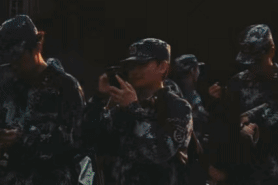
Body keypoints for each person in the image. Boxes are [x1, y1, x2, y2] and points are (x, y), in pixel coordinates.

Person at [208, 23, 278, 185]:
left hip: (274, 170)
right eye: (250, 62)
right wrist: (216, 102)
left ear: (271, 51)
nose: (253, 66)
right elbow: (225, 121)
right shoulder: (237, 81)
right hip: (241, 170)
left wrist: (254, 118)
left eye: (257, 61)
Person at [84, 37, 192, 185]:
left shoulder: (177, 106)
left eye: (142, 64)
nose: (134, 70)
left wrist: (132, 109)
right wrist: (98, 99)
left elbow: (159, 151)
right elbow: (90, 140)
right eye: (131, 65)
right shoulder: (123, 104)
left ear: (162, 67)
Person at [0, 14, 85, 185]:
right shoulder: (6, 84)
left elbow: (76, 143)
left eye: (18, 56)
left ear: (37, 46)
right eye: (7, 57)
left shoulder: (65, 86)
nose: (13, 64)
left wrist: (22, 139)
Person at [170, 54, 210, 185]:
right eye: (197, 69)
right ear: (193, 71)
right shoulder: (182, 96)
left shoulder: (186, 93)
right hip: (188, 159)